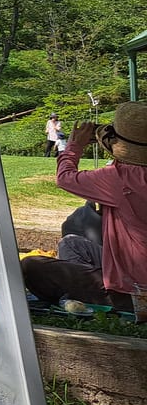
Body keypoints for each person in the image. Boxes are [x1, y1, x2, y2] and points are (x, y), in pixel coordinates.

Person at [21, 103, 147, 311]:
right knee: (71, 244)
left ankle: (96, 301)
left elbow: (65, 178)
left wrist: (74, 146)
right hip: (133, 269)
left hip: (135, 290)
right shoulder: (122, 176)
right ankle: (79, 295)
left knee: (32, 267)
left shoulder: (119, 177)